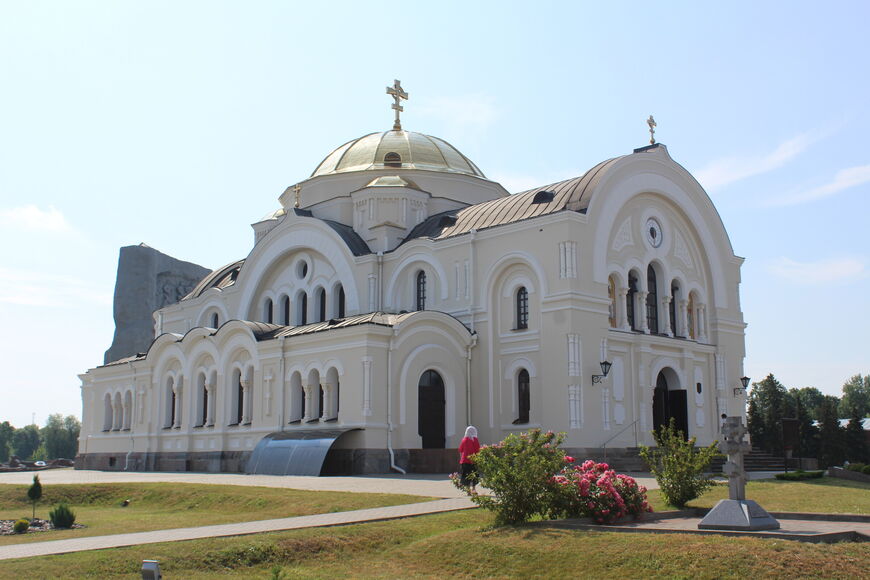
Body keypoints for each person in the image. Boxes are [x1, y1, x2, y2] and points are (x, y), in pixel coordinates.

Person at [458, 425, 480, 490]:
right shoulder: (475, 440)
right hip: (473, 461)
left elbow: (460, 450)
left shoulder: (464, 440)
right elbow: (478, 450)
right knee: (474, 475)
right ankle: (473, 489)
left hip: (464, 461)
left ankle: (468, 490)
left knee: (466, 475)